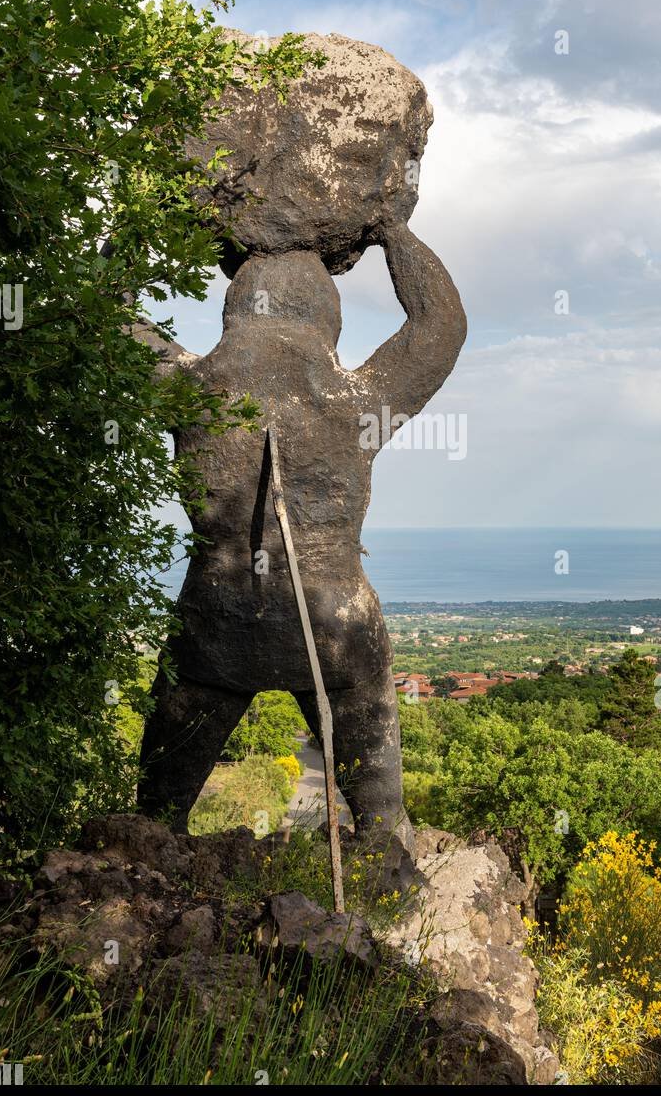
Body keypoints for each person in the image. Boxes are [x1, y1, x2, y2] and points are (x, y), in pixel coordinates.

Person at [135, 221, 466, 850]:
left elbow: (108, 318)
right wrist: (391, 232)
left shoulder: (190, 391)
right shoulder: (355, 402)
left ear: (234, 310)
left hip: (215, 628)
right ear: (329, 318)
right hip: (336, 629)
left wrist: (142, 228)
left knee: (152, 825)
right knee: (382, 830)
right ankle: (387, 885)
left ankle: (144, 881)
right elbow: (439, 329)